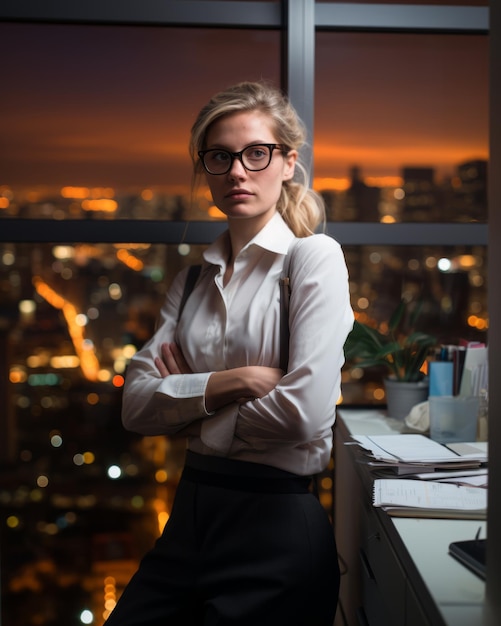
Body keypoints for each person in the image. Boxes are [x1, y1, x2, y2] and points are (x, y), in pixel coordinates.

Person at [105, 81, 354, 626]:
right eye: (220, 157)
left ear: (288, 162)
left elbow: (304, 415)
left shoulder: (313, 260)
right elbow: (135, 408)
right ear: (206, 168)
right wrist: (233, 382)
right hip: (189, 515)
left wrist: (190, 409)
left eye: (256, 153)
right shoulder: (192, 280)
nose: (238, 171)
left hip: (278, 526)